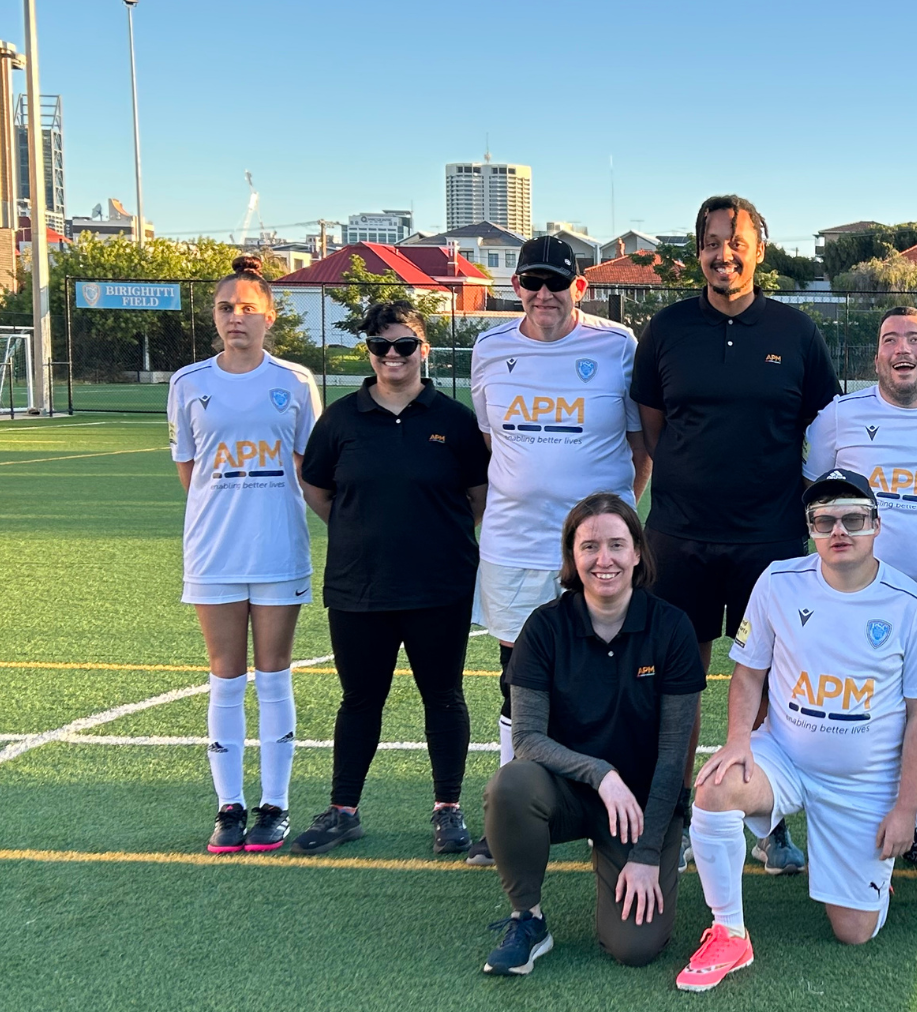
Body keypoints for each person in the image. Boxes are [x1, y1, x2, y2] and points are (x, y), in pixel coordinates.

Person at [632, 194, 840, 875]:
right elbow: (656, 428)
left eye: (737, 240)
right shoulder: (665, 330)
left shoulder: (796, 331)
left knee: (768, 686)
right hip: (680, 537)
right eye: (713, 241)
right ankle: (682, 818)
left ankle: (764, 820)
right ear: (698, 252)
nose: (725, 253)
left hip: (768, 541)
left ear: (759, 248)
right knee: (680, 684)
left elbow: (821, 430)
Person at [676, 470, 917, 992]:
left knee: (854, 933)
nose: (838, 530)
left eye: (851, 518)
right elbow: (749, 674)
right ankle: (728, 931)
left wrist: (906, 811)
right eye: (824, 521)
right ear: (811, 529)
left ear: (875, 525)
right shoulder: (778, 580)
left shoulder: (910, 604)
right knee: (714, 785)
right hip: (786, 758)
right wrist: (736, 741)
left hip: (862, 783)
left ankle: (866, 880)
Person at [466, 234, 649, 866]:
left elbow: (639, 446)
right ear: (515, 286)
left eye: (558, 283)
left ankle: (622, 808)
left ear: (581, 286)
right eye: (531, 282)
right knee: (518, 678)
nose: (545, 294)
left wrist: (610, 518)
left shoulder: (616, 345)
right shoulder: (489, 349)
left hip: (596, 547)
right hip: (515, 544)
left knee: (611, 668)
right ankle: (509, 813)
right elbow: (494, 445)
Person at [291, 300, 489, 856]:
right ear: (370, 353)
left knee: (443, 696)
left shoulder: (453, 420)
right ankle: (343, 809)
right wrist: (363, 529)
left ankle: (448, 810)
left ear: (423, 350)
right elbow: (319, 490)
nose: (393, 356)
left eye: (405, 345)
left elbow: (477, 496)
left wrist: (429, 533)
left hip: (440, 585)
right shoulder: (342, 419)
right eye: (382, 346)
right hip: (360, 587)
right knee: (359, 699)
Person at [479, 493, 705, 975]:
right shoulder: (543, 629)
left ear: (638, 553)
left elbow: (673, 758)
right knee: (511, 785)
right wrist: (600, 774)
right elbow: (527, 739)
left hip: (641, 807)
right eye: (589, 547)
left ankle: (632, 859)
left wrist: (647, 855)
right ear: (572, 556)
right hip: (569, 793)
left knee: (635, 948)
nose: (604, 560)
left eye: (617, 545)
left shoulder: (671, 629)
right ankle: (528, 918)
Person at [803, 305, 917, 872]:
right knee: (850, 706)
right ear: (876, 355)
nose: (903, 350)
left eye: (915, 340)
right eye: (890, 340)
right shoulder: (837, 418)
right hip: (852, 592)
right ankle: (833, 813)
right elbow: (817, 493)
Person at [165, 255, 322, 854]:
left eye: (248, 309)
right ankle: (228, 806)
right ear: (215, 317)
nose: (236, 318)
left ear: (269, 317)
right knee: (226, 679)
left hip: (280, 549)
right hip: (214, 552)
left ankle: (275, 806)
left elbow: (310, 470)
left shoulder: (294, 382)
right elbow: (190, 471)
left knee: (275, 677)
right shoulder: (189, 383)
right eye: (226, 308)